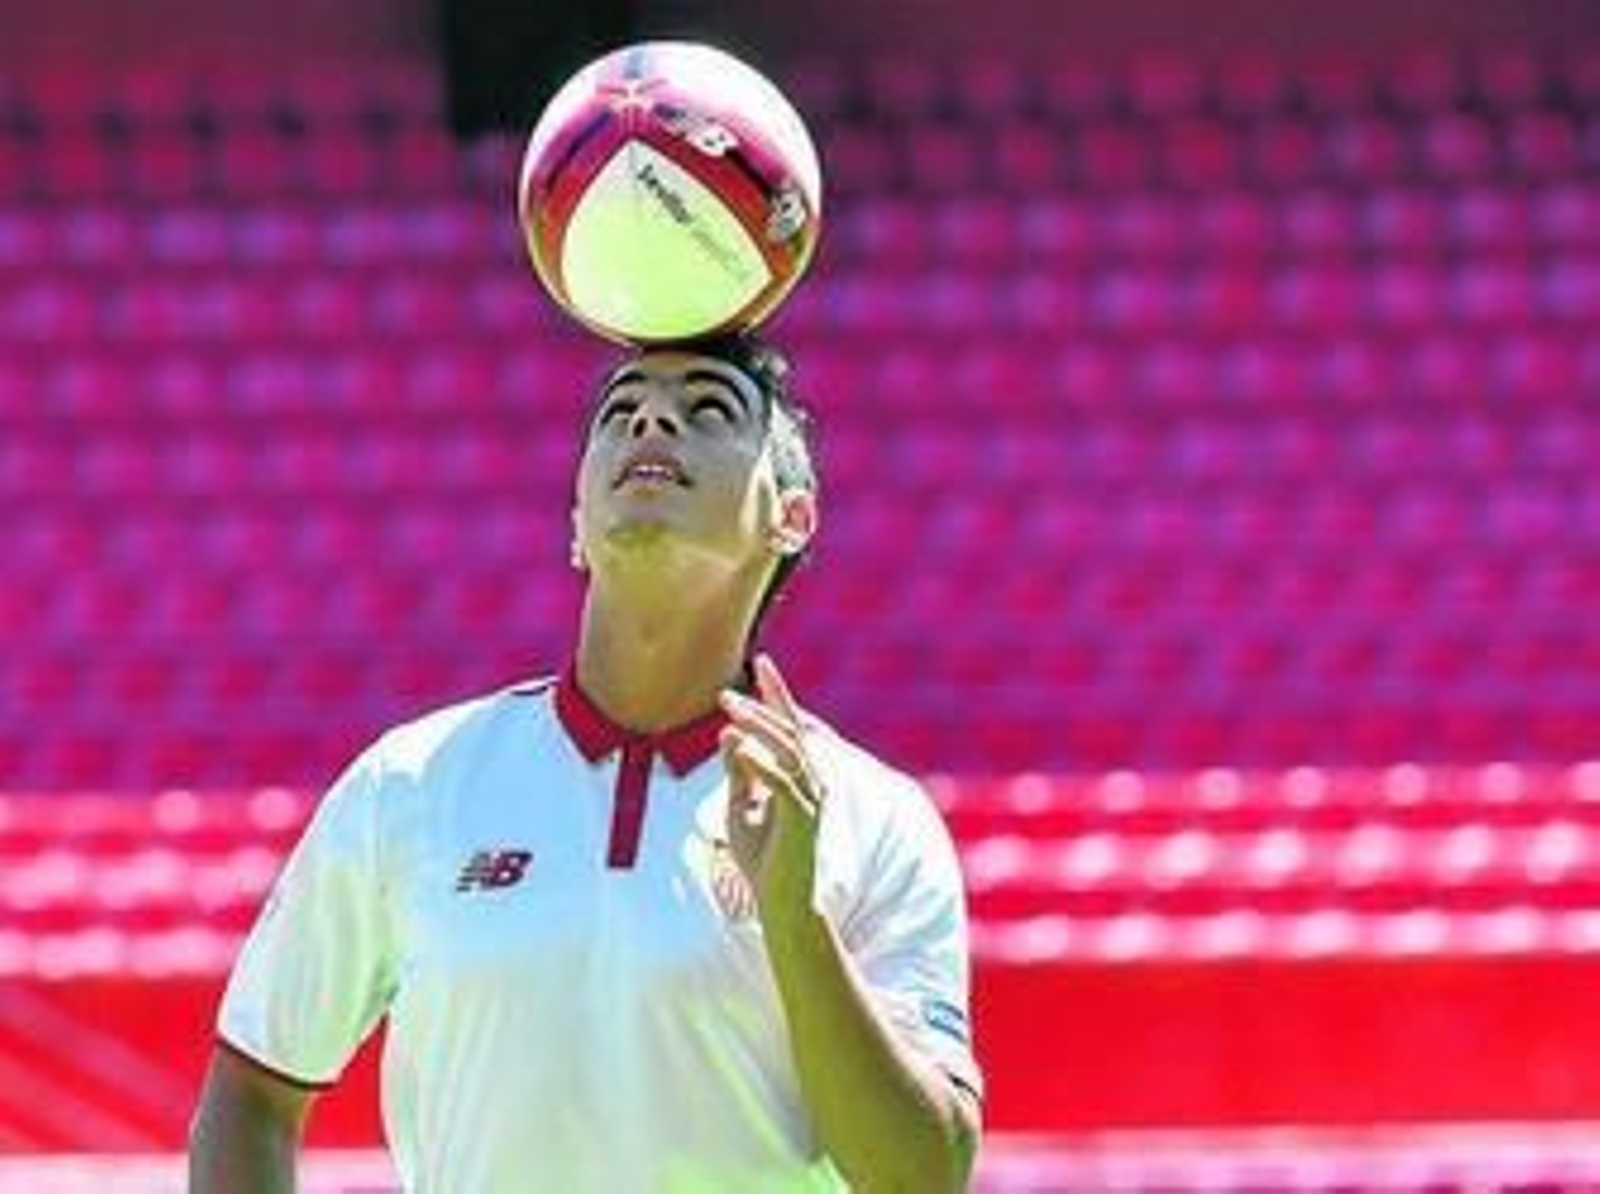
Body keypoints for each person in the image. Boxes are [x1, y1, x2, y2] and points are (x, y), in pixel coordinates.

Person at [188, 333, 983, 1191]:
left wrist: (795, 920)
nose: (651, 421)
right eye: (621, 411)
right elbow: (252, 1092)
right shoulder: (411, 782)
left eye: (707, 410)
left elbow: (924, 1176)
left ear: (791, 515)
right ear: (576, 526)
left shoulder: (876, 816)